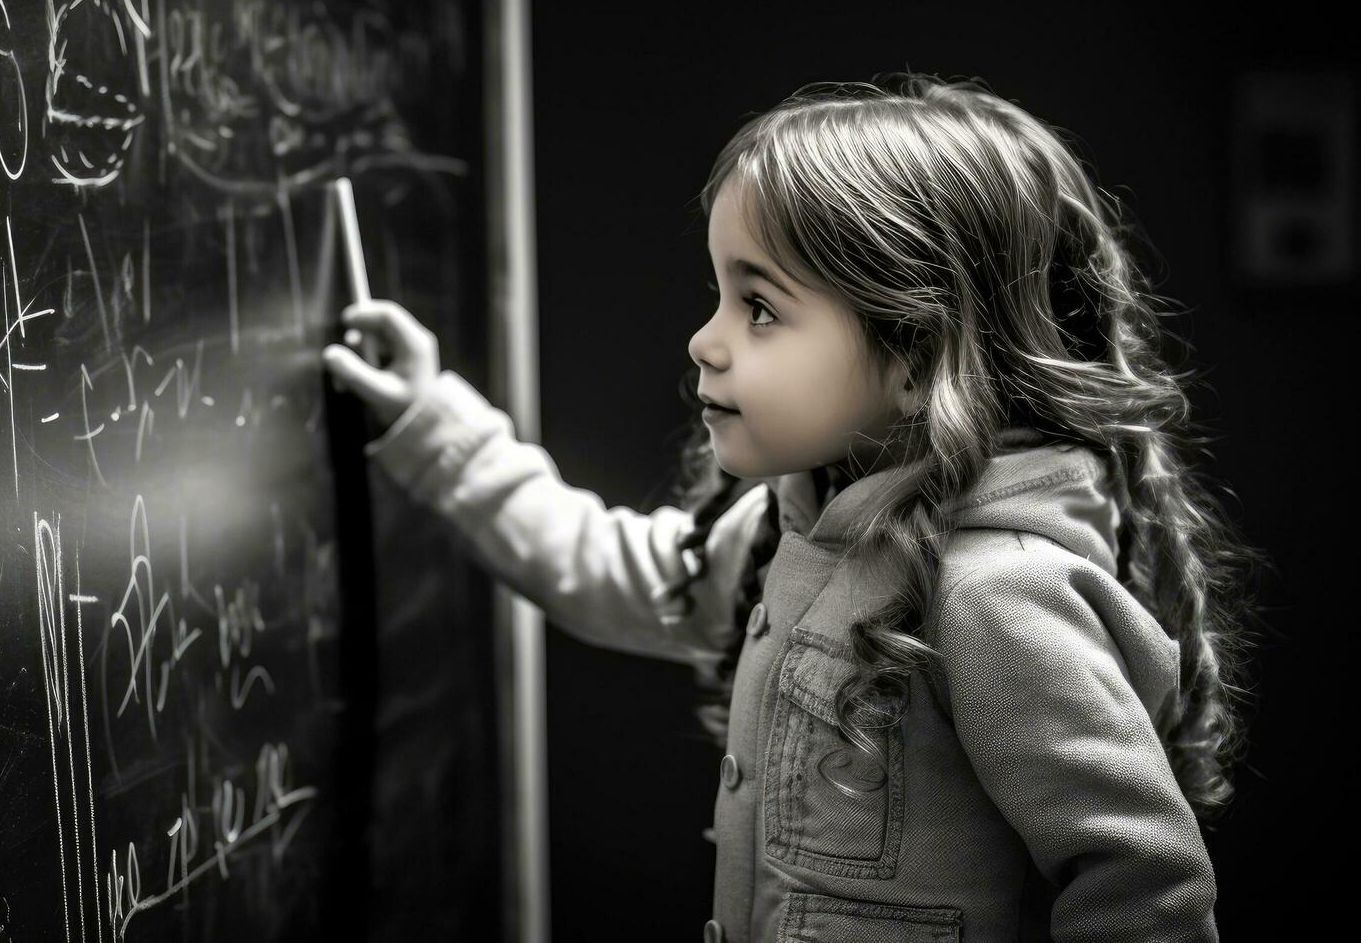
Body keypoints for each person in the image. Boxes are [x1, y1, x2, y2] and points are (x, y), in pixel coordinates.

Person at [321, 72, 1266, 943]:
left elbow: (1144, 889)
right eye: (718, 295)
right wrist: (431, 421)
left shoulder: (996, 595)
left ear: (915, 359)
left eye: (759, 308)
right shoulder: (794, 523)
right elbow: (612, 572)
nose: (704, 340)